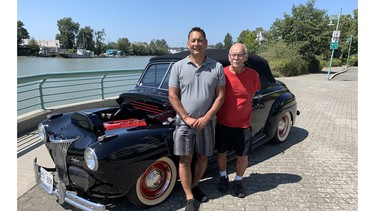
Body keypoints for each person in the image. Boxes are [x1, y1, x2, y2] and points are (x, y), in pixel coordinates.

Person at [168, 27, 225, 211]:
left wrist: (207, 117)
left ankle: (194, 185)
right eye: (193, 40)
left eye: (200, 40)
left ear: (206, 43)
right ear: (188, 44)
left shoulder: (216, 67)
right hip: (184, 123)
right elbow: (172, 95)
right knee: (185, 159)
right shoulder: (178, 66)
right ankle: (189, 197)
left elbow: (220, 96)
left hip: (207, 122)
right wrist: (186, 118)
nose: (196, 44)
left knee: (202, 157)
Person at [215, 43, 261, 198]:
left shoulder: (253, 75)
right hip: (223, 123)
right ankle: (223, 177)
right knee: (221, 153)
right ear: (229, 56)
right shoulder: (222, 73)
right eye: (233, 54)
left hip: (243, 124)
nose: (236, 57)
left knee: (243, 156)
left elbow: (251, 95)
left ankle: (238, 180)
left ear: (245, 57)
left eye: (240, 54)